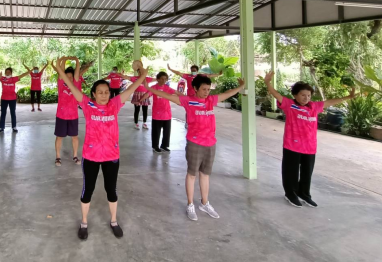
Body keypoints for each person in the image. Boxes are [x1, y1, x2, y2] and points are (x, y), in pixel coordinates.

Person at [53, 56, 149, 240]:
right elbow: (71, 86)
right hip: (91, 157)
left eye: (106, 92)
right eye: (100, 92)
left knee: (111, 190)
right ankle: (84, 223)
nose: (104, 95)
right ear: (94, 94)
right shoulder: (87, 104)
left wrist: (142, 75)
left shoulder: (115, 104)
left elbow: (131, 89)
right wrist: (60, 71)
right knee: (87, 190)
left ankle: (114, 221)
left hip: (111, 157)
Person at [147, 74, 244, 221]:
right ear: (195, 89)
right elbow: (167, 96)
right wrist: (148, 88)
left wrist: (241, 87)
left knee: (205, 174)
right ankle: (190, 204)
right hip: (195, 143)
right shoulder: (188, 101)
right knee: (192, 174)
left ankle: (205, 203)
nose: (206, 92)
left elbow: (227, 94)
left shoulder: (211, 100)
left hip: (210, 143)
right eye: (204, 89)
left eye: (208, 89)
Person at [264, 72, 356, 208]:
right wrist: (267, 83)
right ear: (295, 95)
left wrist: (348, 97)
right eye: (303, 95)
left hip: (309, 146)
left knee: (307, 172)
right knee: (291, 171)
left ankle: (304, 194)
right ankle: (290, 194)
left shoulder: (314, 106)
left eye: (308, 95)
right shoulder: (290, 105)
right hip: (292, 145)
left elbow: (330, 102)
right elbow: (276, 94)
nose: (306, 98)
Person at [139, 72, 183, 153]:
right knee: (156, 131)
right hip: (157, 114)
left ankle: (164, 146)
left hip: (167, 113)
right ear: (158, 79)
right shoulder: (154, 88)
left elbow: (176, 92)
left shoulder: (167, 88)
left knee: (167, 131)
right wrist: (141, 100)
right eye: (162, 79)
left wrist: (186, 97)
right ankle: (155, 146)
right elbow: (148, 94)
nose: (164, 80)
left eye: (165, 79)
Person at [51, 56, 82, 167]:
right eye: (67, 76)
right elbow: (61, 71)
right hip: (61, 115)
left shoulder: (76, 84)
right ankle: (58, 157)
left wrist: (76, 61)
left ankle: (75, 156)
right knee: (59, 137)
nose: (69, 78)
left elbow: (77, 72)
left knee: (75, 137)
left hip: (73, 116)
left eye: (71, 77)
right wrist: (64, 60)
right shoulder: (61, 83)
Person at [0, 62, 31, 134]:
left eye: (9, 72)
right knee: (3, 113)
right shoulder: (2, 78)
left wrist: (30, 71)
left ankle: (14, 127)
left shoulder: (14, 79)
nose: (7, 73)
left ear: (11, 73)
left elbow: (23, 75)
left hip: (12, 99)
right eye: (6, 72)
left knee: (13, 113)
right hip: (4, 99)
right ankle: (1, 127)